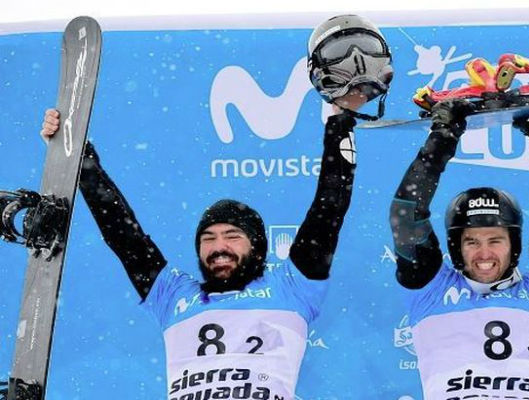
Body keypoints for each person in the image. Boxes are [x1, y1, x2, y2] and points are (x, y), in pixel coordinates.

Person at [40, 14, 391, 400]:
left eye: (232, 235)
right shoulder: (173, 296)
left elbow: (330, 206)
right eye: (208, 238)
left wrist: (338, 124)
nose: (218, 246)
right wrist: (78, 156)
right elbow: (124, 235)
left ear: (257, 245)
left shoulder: (293, 287)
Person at [389, 101, 529, 399]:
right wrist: (444, 134)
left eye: (495, 240)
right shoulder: (430, 293)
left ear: (513, 245)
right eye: (471, 241)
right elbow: (406, 213)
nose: (484, 254)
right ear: (456, 247)